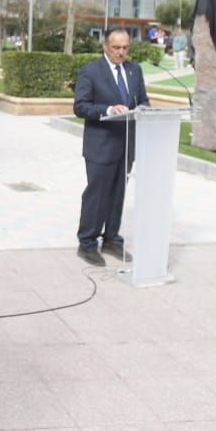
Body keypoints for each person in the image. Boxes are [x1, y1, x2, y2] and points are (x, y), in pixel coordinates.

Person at [72, 27, 149, 266]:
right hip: (101, 145)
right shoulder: (90, 71)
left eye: (125, 47)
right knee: (97, 196)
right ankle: (87, 243)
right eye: (116, 47)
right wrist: (108, 109)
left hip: (126, 144)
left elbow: (143, 100)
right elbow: (80, 106)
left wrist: (144, 109)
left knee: (118, 195)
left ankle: (112, 239)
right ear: (105, 46)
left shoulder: (134, 70)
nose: (121, 52)